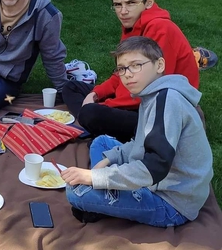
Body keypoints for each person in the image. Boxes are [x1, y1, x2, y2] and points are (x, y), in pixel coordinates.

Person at [62, 37, 212, 227]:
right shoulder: (154, 94)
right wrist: (108, 161)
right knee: (102, 143)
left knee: (75, 192)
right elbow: (141, 142)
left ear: (160, 65)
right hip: (161, 179)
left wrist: (93, 177)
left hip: (172, 202)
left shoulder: (167, 101)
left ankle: (101, 200)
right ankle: (106, 193)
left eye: (136, 65)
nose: (127, 74)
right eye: (122, 68)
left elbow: (154, 166)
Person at [62, 0, 199, 142]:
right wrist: (95, 94)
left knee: (91, 114)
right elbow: (122, 72)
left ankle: (96, 124)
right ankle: (95, 123)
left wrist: (103, 106)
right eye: (117, 5)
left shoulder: (160, 28)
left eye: (131, 3)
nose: (123, 11)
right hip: (137, 96)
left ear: (148, 2)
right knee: (71, 88)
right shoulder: (132, 24)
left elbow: (149, 86)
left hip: (160, 109)